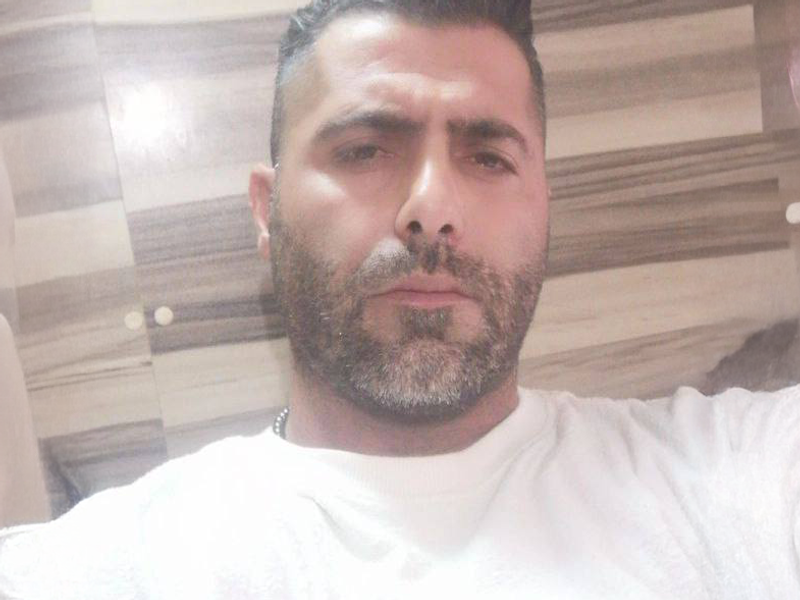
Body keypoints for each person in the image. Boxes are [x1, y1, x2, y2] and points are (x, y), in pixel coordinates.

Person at [1, 0, 799, 597]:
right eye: (364, 149)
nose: (433, 208)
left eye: (488, 158)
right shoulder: (106, 568)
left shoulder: (729, 479)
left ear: (545, 206)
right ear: (266, 213)